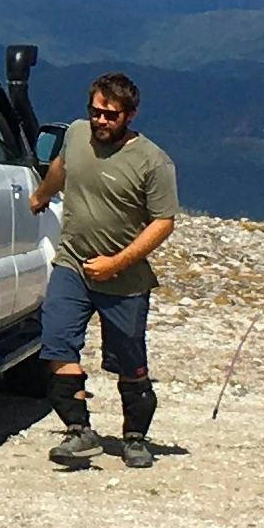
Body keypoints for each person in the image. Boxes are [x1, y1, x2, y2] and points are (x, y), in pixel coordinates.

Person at [33, 71, 178, 469]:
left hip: (125, 279)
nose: (100, 121)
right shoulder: (77, 133)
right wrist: (41, 196)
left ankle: (134, 437)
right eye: (96, 112)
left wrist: (117, 262)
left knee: (129, 362)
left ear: (130, 116)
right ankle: (79, 431)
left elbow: (163, 221)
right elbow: (63, 166)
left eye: (110, 115)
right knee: (58, 343)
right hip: (72, 265)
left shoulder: (153, 161)